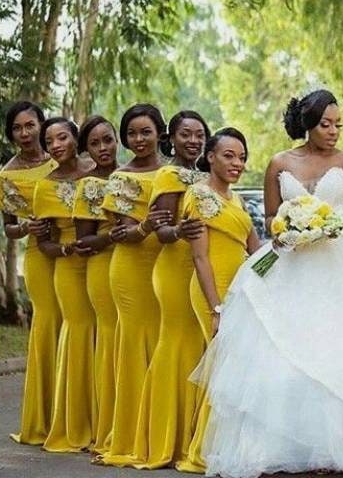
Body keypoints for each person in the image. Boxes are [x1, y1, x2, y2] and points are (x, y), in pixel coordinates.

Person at [190, 89, 343, 478]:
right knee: (285, 353)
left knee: (339, 353)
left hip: (340, 269)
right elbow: (273, 222)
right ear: (307, 125)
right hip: (290, 265)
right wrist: (293, 230)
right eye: (325, 124)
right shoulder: (279, 162)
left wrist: (332, 226)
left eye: (337, 125)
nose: (333, 132)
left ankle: (342, 451)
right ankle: (284, 448)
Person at [177, 128, 261, 473]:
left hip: (239, 291)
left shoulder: (237, 201)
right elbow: (200, 258)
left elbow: (257, 254)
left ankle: (226, 446)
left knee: (233, 370)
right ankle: (202, 450)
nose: (236, 163)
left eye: (241, 157)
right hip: (212, 291)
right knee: (218, 367)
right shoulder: (197, 196)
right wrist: (217, 307)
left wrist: (293, 253)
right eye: (229, 155)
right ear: (210, 157)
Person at [130, 111, 211, 469]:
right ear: (172, 139)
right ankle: (163, 437)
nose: (193, 141)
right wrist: (180, 231)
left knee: (194, 348)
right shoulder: (168, 175)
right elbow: (161, 231)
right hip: (175, 267)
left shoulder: (207, 175)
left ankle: (190, 435)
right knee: (173, 344)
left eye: (199, 135)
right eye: (185, 135)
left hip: (201, 266)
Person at [97, 104, 172, 466]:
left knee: (164, 344)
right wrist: (145, 226)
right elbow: (119, 233)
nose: (138, 140)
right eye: (131, 133)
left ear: (160, 133)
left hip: (170, 266)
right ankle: (130, 434)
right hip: (131, 268)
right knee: (135, 344)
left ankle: (162, 431)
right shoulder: (120, 177)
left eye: (145, 132)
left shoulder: (176, 173)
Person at [0, 102, 60, 446]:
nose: (25, 134)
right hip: (38, 255)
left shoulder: (60, 158)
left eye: (30, 125)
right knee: (48, 323)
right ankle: (45, 416)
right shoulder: (6, 176)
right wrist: (26, 227)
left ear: (41, 125)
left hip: (73, 253)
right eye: (17, 128)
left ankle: (75, 412)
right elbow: (8, 230)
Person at [34, 117, 96, 452]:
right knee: (79, 331)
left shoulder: (97, 170)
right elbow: (45, 243)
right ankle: (75, 423)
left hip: (104, 260)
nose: (56, 145)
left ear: (76, 138)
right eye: (50, 141)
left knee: (104, 336)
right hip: (69, 266)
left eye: (62, 137)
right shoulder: (45, 186)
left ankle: (105, 422)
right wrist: (65, 249)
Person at [72, 115, 119, 454]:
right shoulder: (87, 185)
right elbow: (83, 242)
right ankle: (107, 424)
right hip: (103, 269)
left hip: (144, 267)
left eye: (108, 139)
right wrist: (111, 238)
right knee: (110, 341)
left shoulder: (132, 174)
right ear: (85, 150)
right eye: (95, 143)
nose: (103, 148)